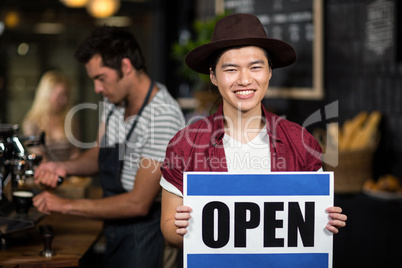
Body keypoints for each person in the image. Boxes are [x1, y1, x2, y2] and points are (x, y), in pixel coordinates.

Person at [159, 13, 347, 249]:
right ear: (213, 76)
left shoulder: (301, 142)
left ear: (269, 71)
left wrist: (325, 223)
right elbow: (168, 227)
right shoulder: (185, 144)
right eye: (231, 70)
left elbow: (312, 223)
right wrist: (184, 229)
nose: (245, 80)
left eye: (255, 67)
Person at [32, 26, 185, 267]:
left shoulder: (163, 116)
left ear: (125, 67)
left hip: (145, 234)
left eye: (100, 78)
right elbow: (99, 154)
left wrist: (64, 205)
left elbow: (138, 203)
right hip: (113, 226)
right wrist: (63, 167)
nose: (97, 89)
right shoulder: (114, 100)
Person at [22, 70, 80, 162]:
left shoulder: (70, 120)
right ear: (46, 95)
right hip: (45, 173)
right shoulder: (32, 123)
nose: (64, 100)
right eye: (60, 95)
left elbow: (75, 153)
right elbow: (39, 157)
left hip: (70, 172)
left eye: (66, 95)